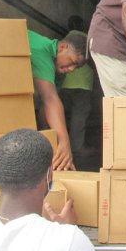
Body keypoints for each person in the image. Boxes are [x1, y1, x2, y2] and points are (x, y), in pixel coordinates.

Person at [28, 29, 87, 170]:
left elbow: (46, 106)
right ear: (62, 47)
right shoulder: (41, 49)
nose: (72, 69)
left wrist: (48, 141)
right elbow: (50, 99)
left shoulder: (59, 72)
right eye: (73, 62)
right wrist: (64, 143)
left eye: (76, 67)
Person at [59, 19, 97, 160]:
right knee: (79, 118)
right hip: (82, 86)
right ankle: (77, 148)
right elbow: (94, 62)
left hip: (65, 85)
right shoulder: (84, 41)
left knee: (60, 116)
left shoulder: (68, 40)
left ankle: (57, 146)